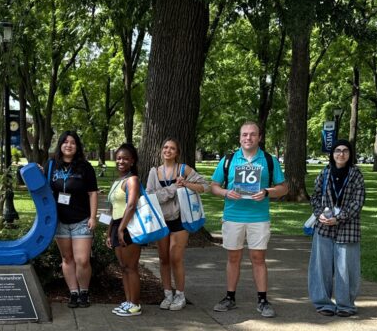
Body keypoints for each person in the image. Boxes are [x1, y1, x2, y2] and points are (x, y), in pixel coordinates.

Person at [210, 121, 288, 318]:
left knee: (258, 258)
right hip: (233, 216)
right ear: (239, 137)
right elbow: (214, 186)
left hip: (258, 218)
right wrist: (226, 192)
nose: (248, 138)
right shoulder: (228, 160)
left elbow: (284, 188)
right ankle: (230, 297)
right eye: (245, 134)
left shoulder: (269, 160)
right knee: (233, 258)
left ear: (259, 137)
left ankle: (262, 300)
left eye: (253, 134)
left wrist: (267, 192)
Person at [146, 137, 208, 311]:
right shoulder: (154, 172)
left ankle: (180, 294)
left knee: (176, 257)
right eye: (165, 147)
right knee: (164, 258)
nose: (168, 150)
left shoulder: (183, 169)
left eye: (172, 148)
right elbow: (152, 197)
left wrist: (186, 183)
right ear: (161, 150)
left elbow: (205, 186)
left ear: (177, 152)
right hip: (162, 220)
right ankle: (167, 294)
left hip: (181, 219)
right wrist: (173, 188)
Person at [308, 139, 365, 317]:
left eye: (345, 151)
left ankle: (345, 305)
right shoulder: (324, 173)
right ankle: (323, 302)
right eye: (337, 150)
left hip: (348, 227)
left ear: (350, 154)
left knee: (346, 267)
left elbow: (358, 202)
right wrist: (320, 215)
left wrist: (339, 218)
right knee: (321, 266)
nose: (341, 154)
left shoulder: (356, 175)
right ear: (332, 154)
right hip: (324, 226)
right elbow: (315, 197)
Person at [46, 130, 99, 308]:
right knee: (67, 258)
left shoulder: (85, 167)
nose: (69, 145)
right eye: (65, 142)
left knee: (82, 259)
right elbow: (43, 189)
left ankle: (84, 291)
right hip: (59, 220)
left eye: (73, 142)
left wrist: (93, 217)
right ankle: (73, 293)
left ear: (77, 147)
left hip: (81, 219)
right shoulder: (51, 165)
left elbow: (92, 194)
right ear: (60, 145)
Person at [106, 143, 143, 317]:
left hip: (128, 226)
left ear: (132, 161)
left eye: (125, 158)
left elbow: (131, 205)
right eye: (119, 158)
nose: (121, 161)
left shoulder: (132, 179)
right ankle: (128, 302)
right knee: (123, 267)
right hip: (116, 225)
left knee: (131, 267)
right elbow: (112, 209)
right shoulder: (116, 181)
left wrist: (121, 229)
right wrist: (109, 232)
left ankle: (135, 304)